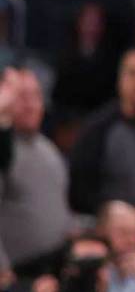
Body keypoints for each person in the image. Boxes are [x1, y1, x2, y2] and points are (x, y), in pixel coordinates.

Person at [69, 49, 135, 280]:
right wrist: (121, 217)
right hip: (119, 269)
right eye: (133, 74)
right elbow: (77, 193)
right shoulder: (98, 131)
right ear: (120, 80)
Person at [0, 69, 73, 286]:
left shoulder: (49, 150)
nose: (30, 104)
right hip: (17, 275)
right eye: (22, 97)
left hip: (56, 266)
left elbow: (60, 207)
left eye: (36, 96)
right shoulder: (4, 150)